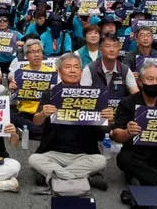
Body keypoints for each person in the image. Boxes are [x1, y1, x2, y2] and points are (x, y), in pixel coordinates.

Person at [28, 53, 111, 195]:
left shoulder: (94, 94)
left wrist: (108, 119)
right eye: (68, 67)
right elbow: (36, 122)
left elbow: (103, 130)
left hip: (84, 153)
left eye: (76, 67)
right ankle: (83, 177)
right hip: (53, 152)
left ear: (81, 71)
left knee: (101, 160)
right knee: (33, 159)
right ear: (59, 71)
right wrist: (43, 114)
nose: (72, 70)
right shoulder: (50, 93)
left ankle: (54, 176)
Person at [7, 39, 55, 140]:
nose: (36, 55)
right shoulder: (19, 73)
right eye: (33, 52)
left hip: (43, 114)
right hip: (25, 113)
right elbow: (14, 100)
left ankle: (30, 131)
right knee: (9, 114)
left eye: (39, 51)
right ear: (26, 55)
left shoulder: (52, 72)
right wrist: (12, 89)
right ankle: (40, 132)